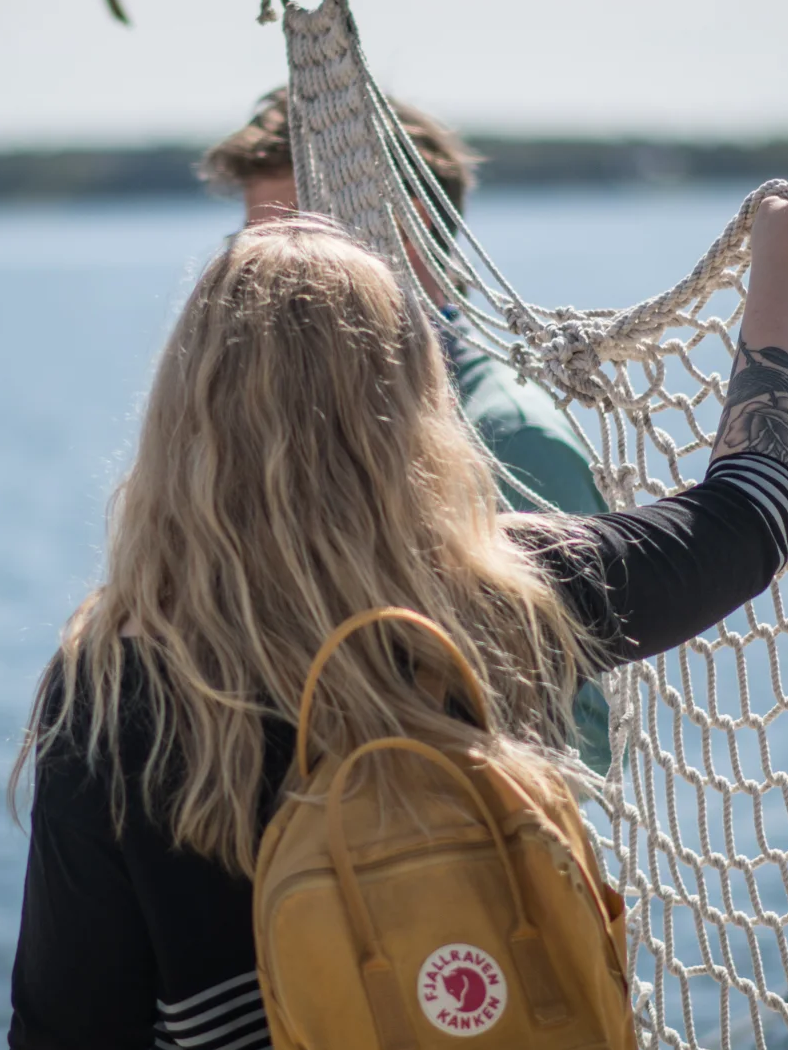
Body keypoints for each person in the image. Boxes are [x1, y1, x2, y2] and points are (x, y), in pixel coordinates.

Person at [6, 175, 788, 1050]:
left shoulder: (113, 697)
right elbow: (749, 514)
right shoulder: (509, 598)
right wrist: (784, 274)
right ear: (417, 403)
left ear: (181, 423)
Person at [201, 89, 617, 768]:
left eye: (294, 239)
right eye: (250, 246)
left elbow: (571, 739)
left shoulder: (509, 440)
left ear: (408, 235)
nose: (258, 280)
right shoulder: (285, 435)